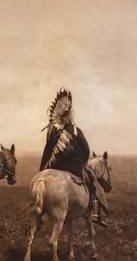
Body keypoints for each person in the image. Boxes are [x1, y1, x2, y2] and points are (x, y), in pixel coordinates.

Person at [39, 88, 108, 227]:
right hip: (75, 169)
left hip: (56, 167)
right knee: (93, 184)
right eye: (71, 112)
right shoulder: (76, 131)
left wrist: (41, 170)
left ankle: (38, 216)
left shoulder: (53, 132)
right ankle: (95, 214)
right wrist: (82, 162)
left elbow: (47, 152)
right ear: (67, 115)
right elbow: (86, 150)